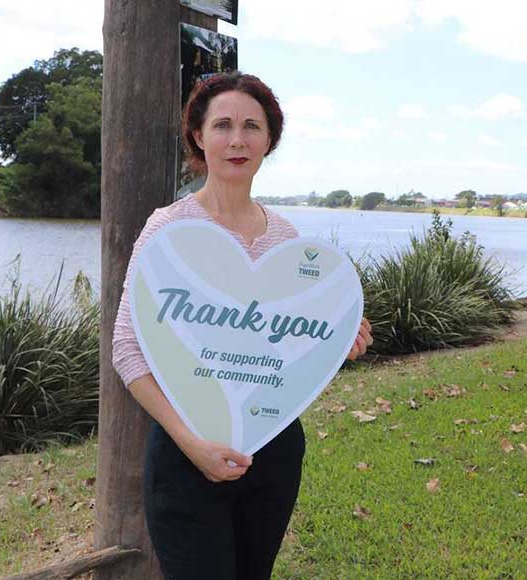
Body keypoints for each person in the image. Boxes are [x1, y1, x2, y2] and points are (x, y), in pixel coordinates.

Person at [112, 71, 373, 580]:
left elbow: (286, 353)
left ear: (269, 140)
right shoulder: (168, 230)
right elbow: (128, 348)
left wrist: (338, 340)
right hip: (185, 455)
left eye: (252, 126)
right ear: (198, 136)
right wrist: (192, 443)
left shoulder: (287, 239)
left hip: (272, 453)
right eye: (223, 125)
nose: (237, 140)